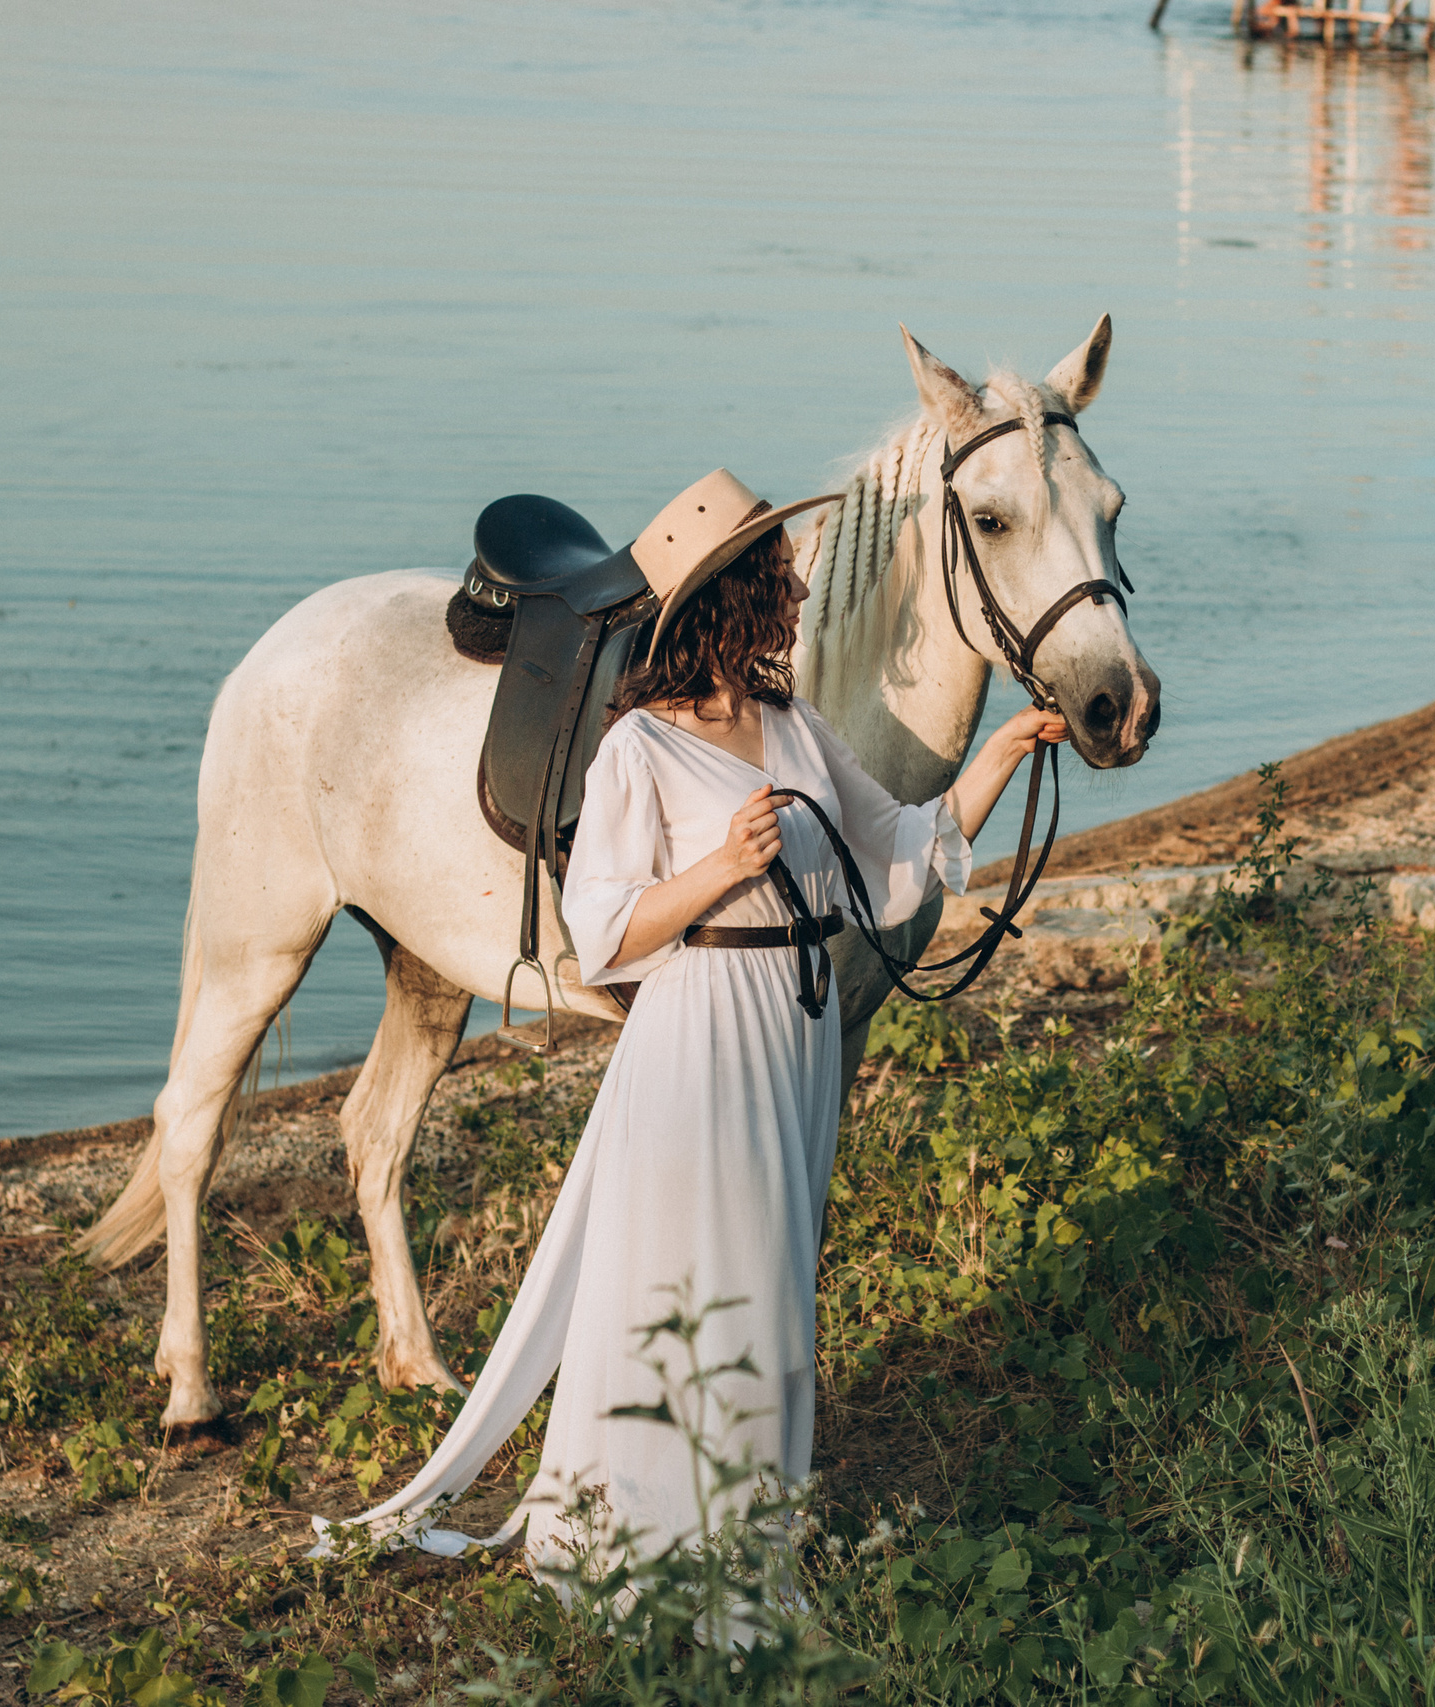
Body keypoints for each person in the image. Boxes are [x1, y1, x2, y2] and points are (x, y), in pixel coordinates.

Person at [313, 468, 1064, 1584]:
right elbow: (605, 931)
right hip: (701, 1028)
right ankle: (656, 1522)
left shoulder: (795, 722)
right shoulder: (641, 748)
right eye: (772, 571)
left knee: (770, 1267)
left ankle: (753, 1511)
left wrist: (998, 756)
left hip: (794, 1030)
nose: (796, 585)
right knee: (697, 1270)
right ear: (727, 596)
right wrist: (722, 867)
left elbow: (899, 853)